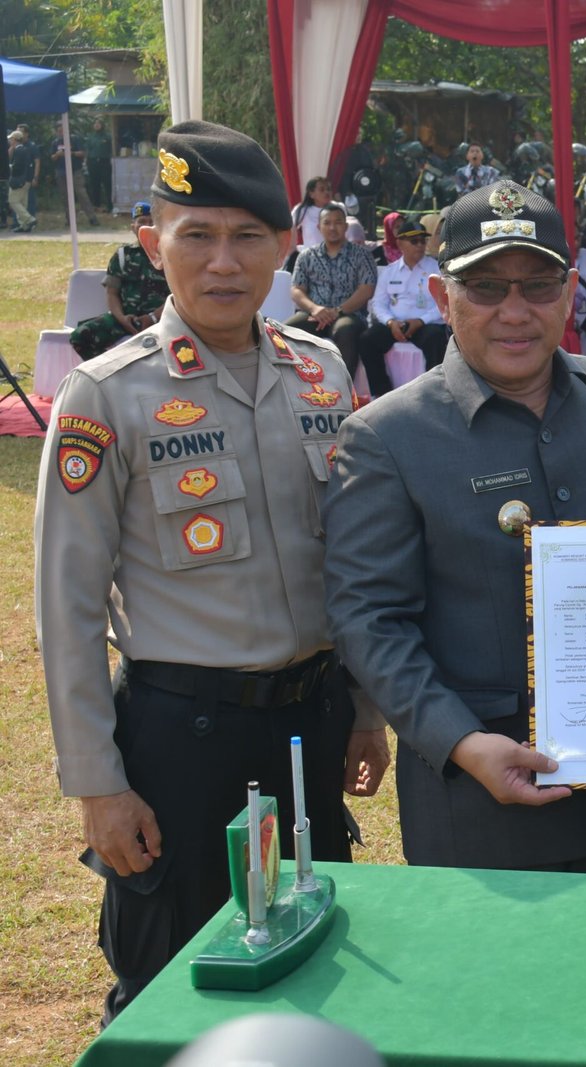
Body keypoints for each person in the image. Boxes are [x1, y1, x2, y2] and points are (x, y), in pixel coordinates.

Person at [34, 119, 390, 1025]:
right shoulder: (108, 393)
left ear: (285, 245)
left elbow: (348, 561)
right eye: (196, 235)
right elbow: (67, 606)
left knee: (314, 979)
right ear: (154, 242)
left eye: (246, 236)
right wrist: (97, 784)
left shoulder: (322, 371)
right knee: (170, 996)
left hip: (310, 725)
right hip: (179, 745)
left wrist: (363, 707)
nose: (222, 262)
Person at [323, 179, 586, 875]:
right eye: (486, 288)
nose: (514, 312)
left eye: (536, 287)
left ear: (569, 293)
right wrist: (464, 742)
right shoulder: (388, 436)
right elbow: (369, 620)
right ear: (443, 298)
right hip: (480, 806)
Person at [356, 214, 448, 396]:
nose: (420, 245)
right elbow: (378, 304)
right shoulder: (390, 271)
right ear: (400, 244)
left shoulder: (436, 269)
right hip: (395, 324)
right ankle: (381, 394)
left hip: (425, 324)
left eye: (423, 241)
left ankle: (434, 394)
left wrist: (421, 321)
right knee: (367, 340)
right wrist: (390, 323)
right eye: (414, 241)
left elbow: (443, 302)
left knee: (436, 339)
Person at [285, 201, 377, 377]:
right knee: (286, 331)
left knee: (345, 330)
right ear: (319, 227)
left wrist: (338, 311)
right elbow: (296, 289)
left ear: (346, 226)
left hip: (348, 314)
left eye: (338, 222)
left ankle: (343, 389)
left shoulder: (361, 254)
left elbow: (367, 289)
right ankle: (293, 385)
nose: (332, 227)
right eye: (327, 223)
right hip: (314, 313)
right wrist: (315, 308)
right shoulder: (306, 256)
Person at [70, 201, 170, 359]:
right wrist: (122, 318)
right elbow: (112, 292)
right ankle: (106, 372)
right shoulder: (123, 255)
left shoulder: (168, 254)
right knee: (81, 336)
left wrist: (152, 317)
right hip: (126, 319)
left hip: (162, 318)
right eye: (141, 222)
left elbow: (177, 295)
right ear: (133, 227)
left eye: (151, 222)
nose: (146, 226)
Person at [8, 128, 38, 233]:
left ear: (15, 139)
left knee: (13, 201)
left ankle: (29, 219)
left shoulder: (19, 150)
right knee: (22, 202)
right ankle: (24, 225)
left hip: (19, 180)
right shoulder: (24, 149)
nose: (10, 141)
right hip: (26, 180)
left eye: (11, 139)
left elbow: (17, 167)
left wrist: (9, 167)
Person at [291, 176, 333, 249]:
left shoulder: (338, 208)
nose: (326, 192)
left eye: (328, 189)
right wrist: (292, 251)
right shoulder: (302, 210)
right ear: (311, 194)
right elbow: (290, 230)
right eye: (322, 190)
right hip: (311, 257)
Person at [84, 117, 114, 216]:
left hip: (104, 162)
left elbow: (111, 148)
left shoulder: (108, 137)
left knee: (107, 184)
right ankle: (96, 205)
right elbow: (87, 150)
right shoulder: (91, 137)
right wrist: (86, 162)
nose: (97, 125)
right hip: (92, 162)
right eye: (95, 123)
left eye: (99, 123)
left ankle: (110, 205)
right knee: (94, 184)